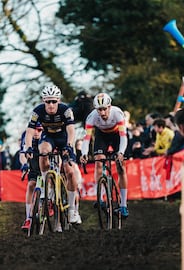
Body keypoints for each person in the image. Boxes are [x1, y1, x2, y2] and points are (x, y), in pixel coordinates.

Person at [23, 85, 81, 227]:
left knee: (70, 172)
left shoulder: (65, 110)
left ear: (58, 101)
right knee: (43, 151)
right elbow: (29, 131)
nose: (50, 105)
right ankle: (45, 186)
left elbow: (71, 130)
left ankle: (72, 210)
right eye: (47, 101)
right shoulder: (37, 111)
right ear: (43, 101)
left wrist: (69, 145)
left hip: (64, 138)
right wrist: (29, 147)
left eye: (54, 101)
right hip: (48, 137)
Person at [80, 93, 129, 218]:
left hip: (117, 135)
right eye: (99, 110)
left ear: (109, 106)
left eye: (104, 109)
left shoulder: (117, 113)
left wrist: (121, 153)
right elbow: (87, 139)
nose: (102, 113)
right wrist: (84, 154)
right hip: (102, 136)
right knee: (98, 162)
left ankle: (123, 205)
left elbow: (123, 137)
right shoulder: (91, 117)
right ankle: (100, 196)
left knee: (120, 168)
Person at [19, 122, 43, 230]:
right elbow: (22, 154)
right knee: (31, 185)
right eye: (35, 130)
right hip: (34, 164)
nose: (36, 133)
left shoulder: (48, 135)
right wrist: (24, 164)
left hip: (47, 161)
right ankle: (28, 217)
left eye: (40, 130)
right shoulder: (26, 135)